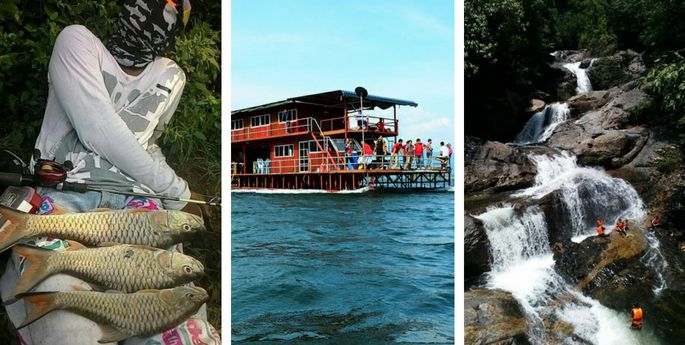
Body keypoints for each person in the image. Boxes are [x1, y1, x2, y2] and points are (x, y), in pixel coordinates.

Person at [1, 2, 218, 344]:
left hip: (140, 212)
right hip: (65, 203)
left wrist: (173, 201)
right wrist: (180, 192)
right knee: (68, 326)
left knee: (174, 320)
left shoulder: (171, 76)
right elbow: (98, 129)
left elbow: (147, 145)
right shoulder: (77, 42)